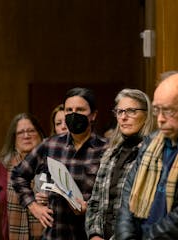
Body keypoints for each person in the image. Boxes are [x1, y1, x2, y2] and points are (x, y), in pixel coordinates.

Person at [11, 87, 108, 240]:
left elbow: (114, 199)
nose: (74, 114)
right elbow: (18, 175)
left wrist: (89, 209)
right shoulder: (50, 145)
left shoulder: (107, 149)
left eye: (80, 109)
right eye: (69, 110)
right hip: (55, 234)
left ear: (93, 115)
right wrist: (33, 206)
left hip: (89, 235)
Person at [115, 71, 178, 239]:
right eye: (157, 110)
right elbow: (128, 198)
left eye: (169, 111)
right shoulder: (152, 142)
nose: (161, 119)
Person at [85, 89, 155, 240]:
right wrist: (95, 234)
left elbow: (146, 210)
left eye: (131, 111)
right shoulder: (111, 153)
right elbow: (95, 201)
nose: (123, 117)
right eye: (120, 111)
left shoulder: (152, 155)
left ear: (146, 114)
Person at [0, 113, 45, 239]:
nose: (26, 136)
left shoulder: (53, 165)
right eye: (20, 132)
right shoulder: (0, 168)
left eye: (31, 131)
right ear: (13, 139)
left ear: (40, 134)